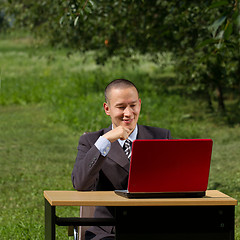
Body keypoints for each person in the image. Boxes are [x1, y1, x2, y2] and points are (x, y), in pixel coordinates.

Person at [72, 79, 171, 240]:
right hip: (108, 231)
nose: (128, 113)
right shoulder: (91, 141)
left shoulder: (160, 137)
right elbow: (81, 183)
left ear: (139, 104)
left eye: (133, 105)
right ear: (107, 108)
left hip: (153, 228)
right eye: (121, 107)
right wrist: (105, 141)